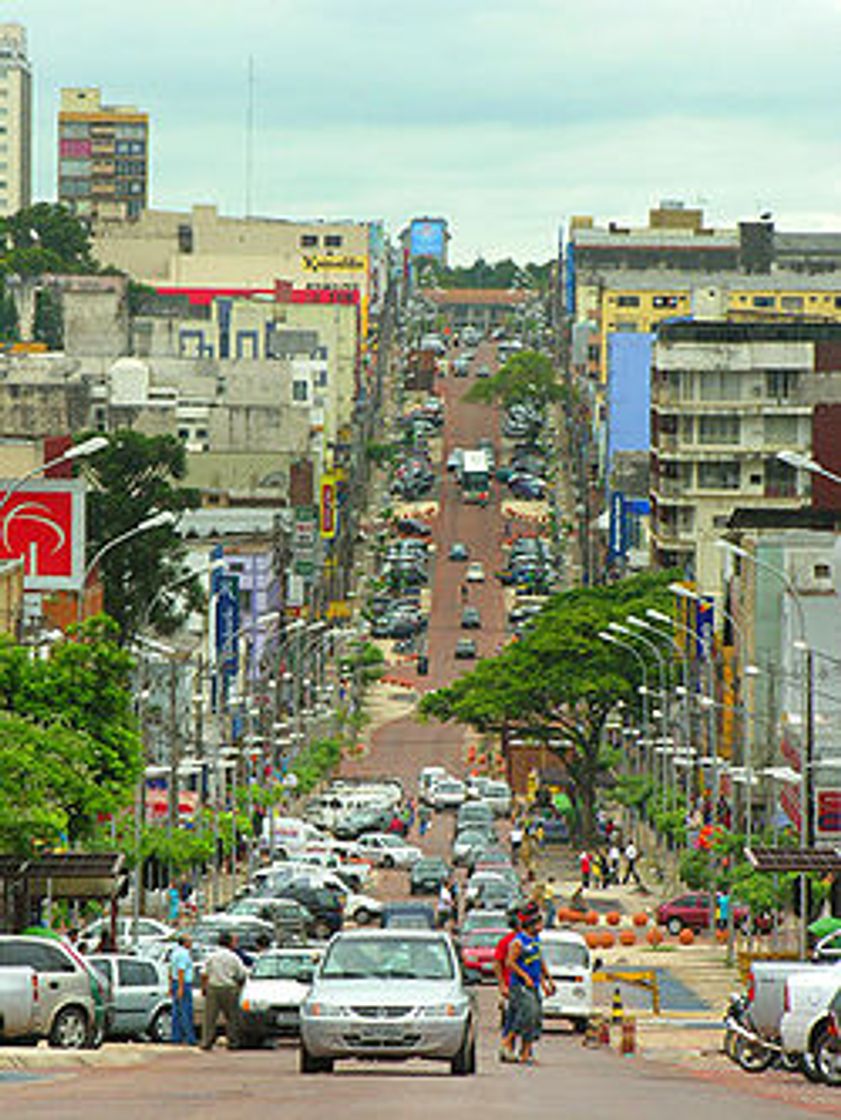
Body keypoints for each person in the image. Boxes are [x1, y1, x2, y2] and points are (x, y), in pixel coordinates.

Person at [506, 902, 555, 1065]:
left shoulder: (536, 941)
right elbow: (510, 962)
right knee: (526, 1015)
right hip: (520, 986)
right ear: (531, 925)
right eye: (539, 923)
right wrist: (524, 976)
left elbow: (539, 962)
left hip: (533, 985)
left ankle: (526, 1053)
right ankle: (509, 1040)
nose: (541, 926)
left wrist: (547, 981)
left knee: (535, 1018)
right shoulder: (518, 942)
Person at [200, 931, 248, 1051]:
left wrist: (204, 988)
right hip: (229, 988)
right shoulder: (233, 957)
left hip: (213, 987)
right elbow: (241, 974)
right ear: (230, 943)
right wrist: (239, 986)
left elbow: (204, 973)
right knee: (232, 1017)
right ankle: (233, 1041)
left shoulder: (211, 956)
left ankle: (207, 1041)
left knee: (210, 1018)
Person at [493, 911, 520, 1062]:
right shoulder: (507, 941)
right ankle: (507, 1047)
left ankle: (518, 1049)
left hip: (525, 986)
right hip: (511, 985)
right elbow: (497, 963)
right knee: (512, 1018)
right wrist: (502, 984)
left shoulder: (530, 940)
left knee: (523, 1019)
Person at [169, 933, 196, 1045]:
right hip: (183, 983)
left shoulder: (174, 953)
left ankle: (176, 1036)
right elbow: (181, 970)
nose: (191, 943)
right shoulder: (184, 954)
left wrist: (170, 985)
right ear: (185, 943)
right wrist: (181, 987)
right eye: (190, 941)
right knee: (186, 1011)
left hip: (175, 982)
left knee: (176, 1011)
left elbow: (170, 970)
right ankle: (189, 1037)